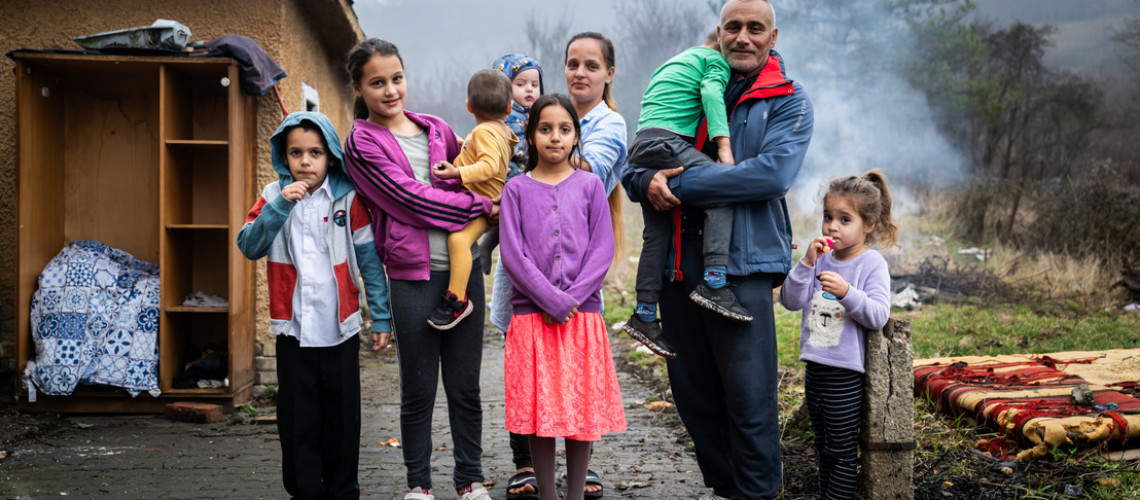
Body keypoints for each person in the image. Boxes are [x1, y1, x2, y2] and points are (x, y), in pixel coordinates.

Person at [622, 0, 815, 498]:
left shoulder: (788, 101)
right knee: (695, 402)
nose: (743, 37)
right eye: (734, 27)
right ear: (720, 32)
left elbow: (771, 175)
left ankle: (756, 494)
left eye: (756, 29)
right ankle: (727, 491)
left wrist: (676, 186)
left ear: (774, 37)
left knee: (749, 402)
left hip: (742, 269)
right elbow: (636, 165)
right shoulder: (694, 82)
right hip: (677, 266)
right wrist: (644, 181)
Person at [341, 39, 494, 500]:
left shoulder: (437, 128)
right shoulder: (361, 142)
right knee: (419, 389)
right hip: (413, 277)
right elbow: (408, 199)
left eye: (396, 78)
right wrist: (480, 207)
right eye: (377, 82)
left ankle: (469, 481)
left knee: (466, 388)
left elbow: (479, 170)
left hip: (462, 276)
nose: (390, 90)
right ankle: (419, 486)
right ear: (358, 87)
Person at [236, 111, 393, 500]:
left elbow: (369, 263)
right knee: (297, 421)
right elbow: (249, 245)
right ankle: (305, 492)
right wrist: (279, 208)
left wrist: (381, 316)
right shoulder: (273, 196)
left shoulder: (347, 200)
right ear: (283, 157)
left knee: (341, 421)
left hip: (339, 330)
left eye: (315, 153)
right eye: (296, 153)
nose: (305, 162)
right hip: (294, 332)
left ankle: (342, 492)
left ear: (330, 157)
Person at [500, 94, 626, 500]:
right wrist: (549, 299)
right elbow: (513, 254)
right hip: (531, 319)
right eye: (545, 128)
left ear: (576, 136)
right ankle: (547, 495)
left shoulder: (590, 186)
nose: (555, 137)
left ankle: (575, 494)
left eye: (565, 129)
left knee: (578, 408)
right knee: (542, 411)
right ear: (531, 136)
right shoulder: (516, 190)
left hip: (581, 317)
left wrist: (570, 298)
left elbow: (602, 250)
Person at [623, 29, 748, 360]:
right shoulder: (714, 61)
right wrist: (723, 147)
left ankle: (645, 315)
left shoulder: (674, 62)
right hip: (669, 142)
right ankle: (715, 283)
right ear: (721, 42)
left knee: (657, 232)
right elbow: (710, 93)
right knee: (722, 191)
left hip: (641, 146)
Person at [779, 169, 895, 500]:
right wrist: (804, 264)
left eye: (845, 219)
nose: (832, 226)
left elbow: (877, 315)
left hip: (845, 375)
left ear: (868, 225)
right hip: (814, 368)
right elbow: (791, 300)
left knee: (841, 451)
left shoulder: (871, 264)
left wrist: (847, 292)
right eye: (828, 217)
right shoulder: (819, 260)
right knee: (821, 446)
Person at [562, 31, 629, 499]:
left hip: (581, 261)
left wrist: (530, 147)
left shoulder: (612, 125)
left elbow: (587, 175)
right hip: (534, 263)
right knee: (531, 363)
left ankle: (579, 469)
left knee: (575, 369)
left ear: (609, 73)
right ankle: (529, 463)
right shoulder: (548, 114)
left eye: (591, 65)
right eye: (572, 64)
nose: (580, 73)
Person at [482, 54, 547, 500]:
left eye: (533, 83)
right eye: (519, 84)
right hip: (513, 242)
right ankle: (523, 461)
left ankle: (571, 458)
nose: (528, 91)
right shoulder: (498, 131)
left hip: (552, 254)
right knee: (521, 364)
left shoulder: (549, 125)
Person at [427, 69, 519, 330]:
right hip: (489, 199)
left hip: (484, 203)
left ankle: (457, 299)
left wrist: (458, 171)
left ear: (468, 106)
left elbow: (488, 166)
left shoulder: (484, 133)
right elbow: (484, 151)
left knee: (459, 240)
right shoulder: (499, 132)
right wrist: (464, 144)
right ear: (510, 108)